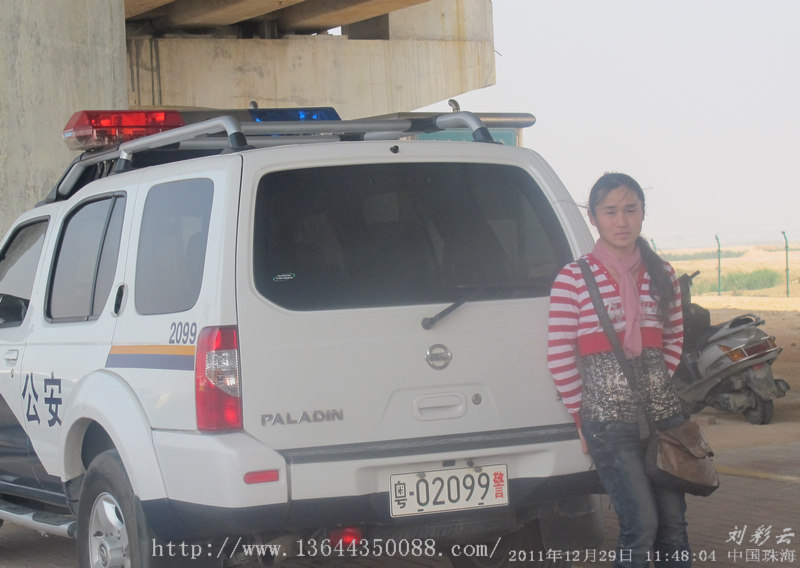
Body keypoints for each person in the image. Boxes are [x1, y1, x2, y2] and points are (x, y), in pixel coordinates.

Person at [547, 172, 690, 567]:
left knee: (674, 527)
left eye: (630, 210)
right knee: (640, 526)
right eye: (610, 212)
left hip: (664, 419)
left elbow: (673, 339)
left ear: (643, 213)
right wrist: (581, 418)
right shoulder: (573, 278)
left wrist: (653, 386)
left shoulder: (663, 274)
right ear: (593, 217)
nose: (622, 221)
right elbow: (559, 354)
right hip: (608, 424)